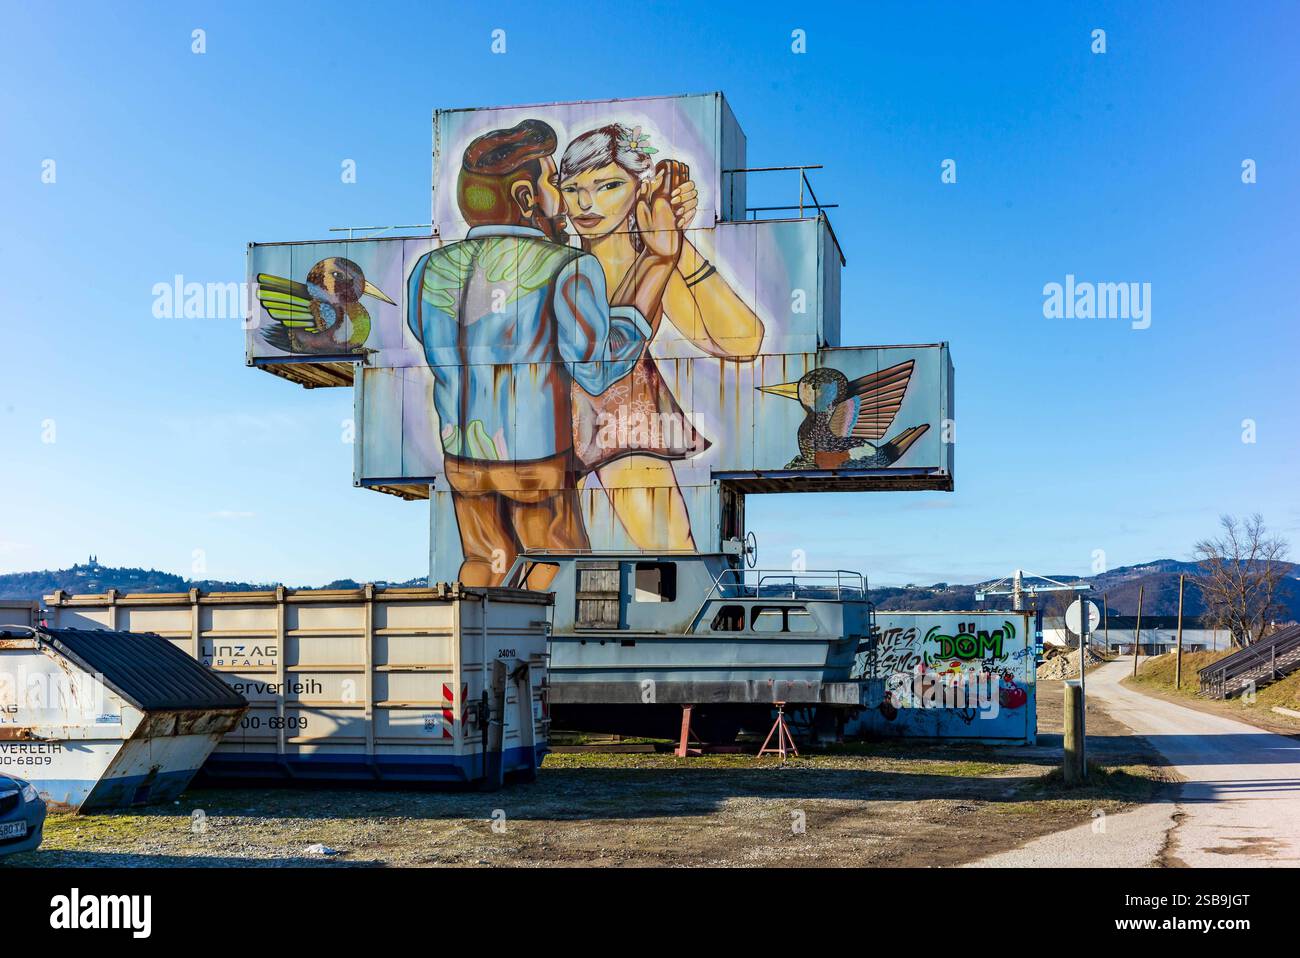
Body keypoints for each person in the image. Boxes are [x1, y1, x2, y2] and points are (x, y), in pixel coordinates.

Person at [407, 119, 686, 587]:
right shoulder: (566, 265)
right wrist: (656, 263)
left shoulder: (428, 270)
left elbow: (432, 339)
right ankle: (545, 657)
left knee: (483, 563)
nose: (564, 198)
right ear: (525, 196)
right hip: (534, 457)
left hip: (462, 455)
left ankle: (481, 650)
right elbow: (598, 370)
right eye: (555, 181)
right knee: (557, 567)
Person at [558, 123, 766, 552]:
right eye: (573, 188)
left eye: (608, 185)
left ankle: (666, 615)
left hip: (623, 413)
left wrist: (674, 243)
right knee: (556, 551)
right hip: (552, 412)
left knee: (669, 549)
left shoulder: (653, 258)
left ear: (640, 188)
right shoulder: (555, 262)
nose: (586, 203)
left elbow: (742, 340)